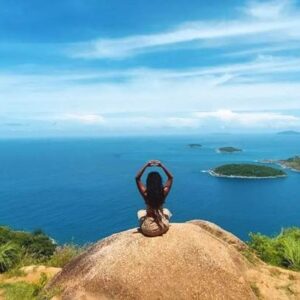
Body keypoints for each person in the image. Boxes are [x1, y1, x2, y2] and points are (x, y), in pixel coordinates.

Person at [135, 160, 173, 237]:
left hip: (148, 230)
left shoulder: (146, 194)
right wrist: (161, 165)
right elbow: (171, 177)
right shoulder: (163, 193)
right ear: (159, 182)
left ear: (148, 182)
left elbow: (137, 178)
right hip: (163, 227)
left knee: (140, 213)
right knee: (166, 211)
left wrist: (146, 165)